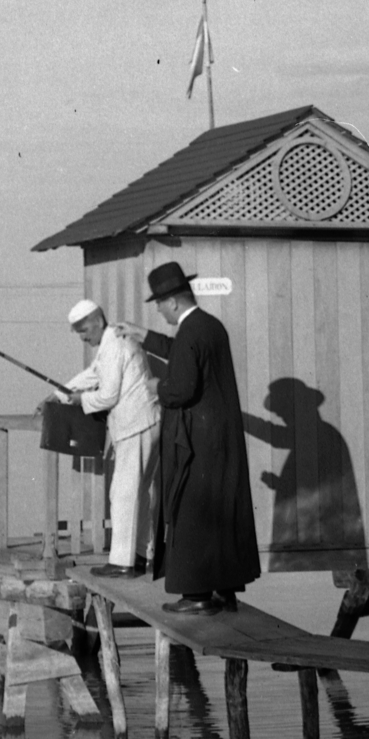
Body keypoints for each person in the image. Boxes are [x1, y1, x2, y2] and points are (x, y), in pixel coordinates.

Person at [134, 262, 260, 615]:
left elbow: (184, 388)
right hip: (219, 440)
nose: (158, 310)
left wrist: (159, 387)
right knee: (221, 513)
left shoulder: (191, 333)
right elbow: (183, 352)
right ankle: (223, 590)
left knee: (193, 512)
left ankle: (196, 596)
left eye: (159, 304)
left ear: (173, 302)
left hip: (197, 443)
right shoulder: (208, 326)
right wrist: (143, 336)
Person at [60, 298, 160, 578]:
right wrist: (60, 394)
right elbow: (93, 374)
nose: (82, 337)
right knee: (137, 492)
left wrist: (80, 399)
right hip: (143, 423)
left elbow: (107, 395)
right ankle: (139, 556)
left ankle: (122, 563)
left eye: (83, 331)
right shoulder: (111, 342)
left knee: (124, 494)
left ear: (96, 322)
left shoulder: (114, 344)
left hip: (136, 425)